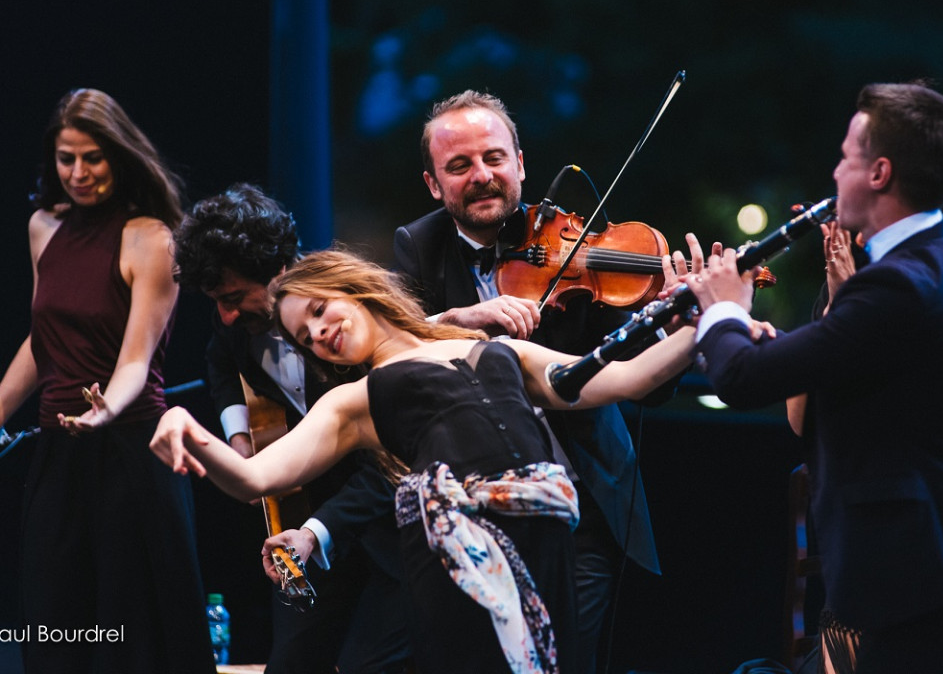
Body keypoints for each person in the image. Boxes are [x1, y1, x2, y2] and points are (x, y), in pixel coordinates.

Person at [149, 246, 706, 674]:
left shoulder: (499, 348)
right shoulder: (351, 400)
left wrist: (707, 319)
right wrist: (186, 426)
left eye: (320, 312)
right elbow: (255, 478)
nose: (319, 334)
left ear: (354, 288)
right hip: (456, 557)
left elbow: (626, 378)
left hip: (546, 541)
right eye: (306, 337)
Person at [683, 82, 943, 673]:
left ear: (880, 172)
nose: (835, 171)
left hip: (932, 574)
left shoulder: (901, 283)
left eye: (845, 157)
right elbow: (850, 365)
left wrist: (725, 307)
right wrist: (774, 337)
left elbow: (739, 379)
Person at [393, 89, 672, 672]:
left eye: (494, 158)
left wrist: (670, 314)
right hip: (472, 507)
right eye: (460, 165)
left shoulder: (580, 244)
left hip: (583, 503)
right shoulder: (417, 247)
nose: (482, 176)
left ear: (520, 163)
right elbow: (392, 355)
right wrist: (458, 322)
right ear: (432, 183)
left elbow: (648, 378)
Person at [0, 88, 215, 673]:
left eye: (92, 157)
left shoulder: (152, 235)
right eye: (66, 158)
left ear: (119, 155)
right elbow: (43, 340)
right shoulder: (44, 226)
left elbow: (135, 359)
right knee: (54, 626)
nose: (77, 172)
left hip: (132, 449)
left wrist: (106, 410)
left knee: (131, 636)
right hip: (58, 451)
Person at [171, 183, 413, 674]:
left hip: (392, 532)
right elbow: (220, 361)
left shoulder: (348, 325)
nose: (226, 314)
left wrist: (315, 531)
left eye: (234, 297)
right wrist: (240, 439)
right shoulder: (238, 325)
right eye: (217, 300)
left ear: (278, 268)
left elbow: (390, 464)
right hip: (313, 527)